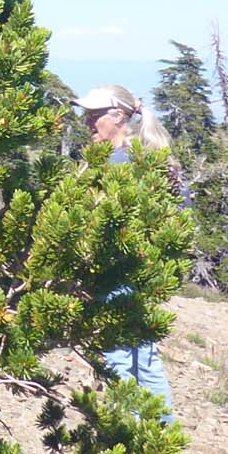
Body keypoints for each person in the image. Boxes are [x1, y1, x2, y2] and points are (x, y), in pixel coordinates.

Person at [76, 83, 177, 416]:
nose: (88, 123)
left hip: (119, 269)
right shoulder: (147, 156)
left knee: (119, 357)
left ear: (118, 116)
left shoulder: (119, 163)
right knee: (145, 358)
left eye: (95, 116)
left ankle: (130, 440)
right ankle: (164, 440)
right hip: (144, 271)